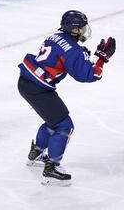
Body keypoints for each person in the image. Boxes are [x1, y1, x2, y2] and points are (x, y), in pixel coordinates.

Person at [17, 10, 116, 186]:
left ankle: (37, 153)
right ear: (73, 29)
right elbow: (89, 75)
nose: (84, 31)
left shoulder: (55, 36)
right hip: (38, 88)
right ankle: (52, 168)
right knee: (64, 126)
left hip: (27, 81)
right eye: (81, 28)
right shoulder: (73, 51)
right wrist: (102, 59)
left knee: (53, 120)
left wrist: (82, 55)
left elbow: (64, 55)